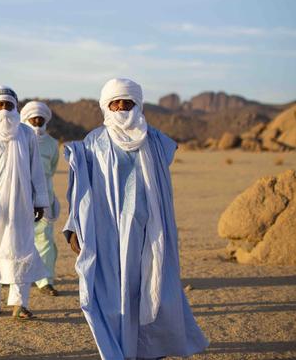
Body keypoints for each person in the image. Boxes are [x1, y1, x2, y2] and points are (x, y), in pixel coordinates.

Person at [63, 78, 209, 359]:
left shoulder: (156, 140)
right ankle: (121, 350)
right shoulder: (94, 142)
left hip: (151, 230)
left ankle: (154, 348)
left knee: (156, 292)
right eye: (115, 102)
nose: (121, 107)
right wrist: (74, 227)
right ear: (106, 106)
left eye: (127, 102)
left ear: (137, 104)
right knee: (113, 296)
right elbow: (80, 188)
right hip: (109, 233)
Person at [0, 86, 49, 320]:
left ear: (16, 107)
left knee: (21, 251)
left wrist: (39, 201)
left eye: (9, 105)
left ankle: (20, 304)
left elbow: (36, 170)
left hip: (21, 205)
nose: (5, 110)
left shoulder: (27, 134)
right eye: (1, 105)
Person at [20, 101, 61, 296]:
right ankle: (13, 277)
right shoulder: (17, 139)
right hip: (19, 198)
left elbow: (51, 169)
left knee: (44, 239)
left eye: (40, 118)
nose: (37, 121)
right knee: (17, 239)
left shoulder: (53, 144)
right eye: (33, 118)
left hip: (45, 199)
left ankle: (45, 280)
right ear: (25, 119)